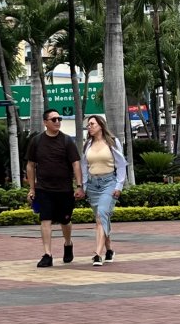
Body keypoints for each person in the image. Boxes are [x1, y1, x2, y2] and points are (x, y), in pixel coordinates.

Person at [25, 109, 84, 268]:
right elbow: (30, 165)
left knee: (65, 220)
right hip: (44, 189)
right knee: (45, 220)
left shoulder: (67, 141)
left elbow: (76, 164)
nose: (57, 122)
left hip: (64, 189)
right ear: (45, 122)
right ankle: (47, 254)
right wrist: (32, 188)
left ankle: (68, 243)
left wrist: (79, 186)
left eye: (59, 119)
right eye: (53, 119)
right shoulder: (37, 141)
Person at [80, 115, 127, 266]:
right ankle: (109, 250)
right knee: (101, 218)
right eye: (88, 125)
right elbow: (84, 166)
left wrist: (119, 186)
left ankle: (97, 254)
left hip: (109, 183)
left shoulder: (112, 142)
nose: (89, 127)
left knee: (101, 215)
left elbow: (121, 165)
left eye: (92, 124)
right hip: (93, 185)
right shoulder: (88, 144)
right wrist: (83, 186)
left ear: (101, 125)